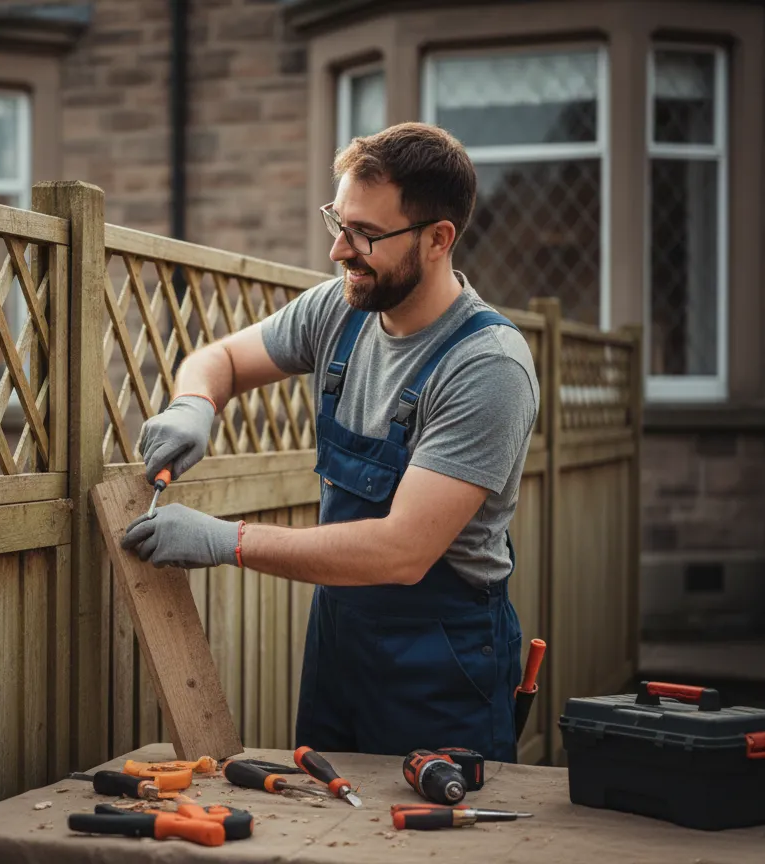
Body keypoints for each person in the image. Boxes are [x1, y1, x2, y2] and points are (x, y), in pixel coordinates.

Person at [121, 121, 540, 763]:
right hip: (339, 650)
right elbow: (222, 359)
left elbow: (403, 550)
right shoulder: (340, 310)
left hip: (441, 667)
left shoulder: (487, 367)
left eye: (365, 234)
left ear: (438, 239)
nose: (340, 251)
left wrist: (224, 540)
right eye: (337, 223)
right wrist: (193, 404)